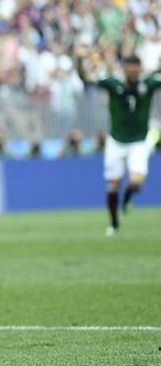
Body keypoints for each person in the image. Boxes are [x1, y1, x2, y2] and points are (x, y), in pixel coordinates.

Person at [76, 51, 161, 236]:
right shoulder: (113, 84)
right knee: (113, 185)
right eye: (129, 66)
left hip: (139, 141)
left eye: (135, 67)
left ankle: (128, 196)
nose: (132, 70)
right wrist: (79, 59)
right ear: (124, 68)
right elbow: (85, 79)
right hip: (116, 141)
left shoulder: (149, 84)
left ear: (140, 69)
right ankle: (114, 224)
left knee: (136, 182)